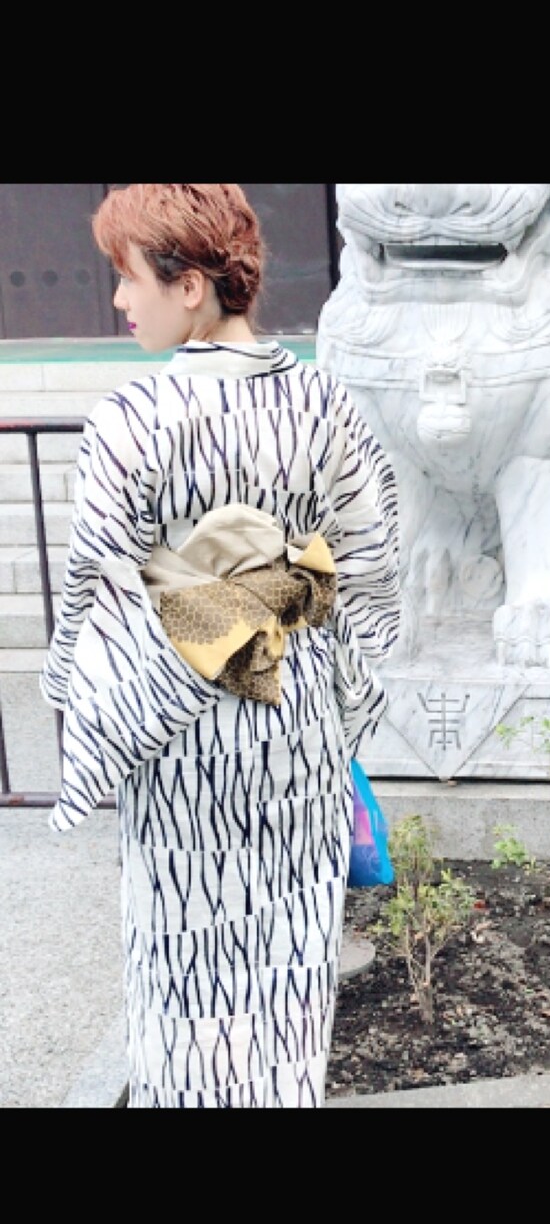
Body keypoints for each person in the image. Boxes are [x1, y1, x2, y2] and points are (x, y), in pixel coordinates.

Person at [39, 183, 400, 1108]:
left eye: (129, 277)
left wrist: (76, 697)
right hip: (297, 721)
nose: (120, 299)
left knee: (183, 963)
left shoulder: (133, 418)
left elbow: (97, 593)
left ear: (190, 284)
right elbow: (371, 567)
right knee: (287, 966)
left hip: (183, 742)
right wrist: (336, 689)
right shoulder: (325, 403)